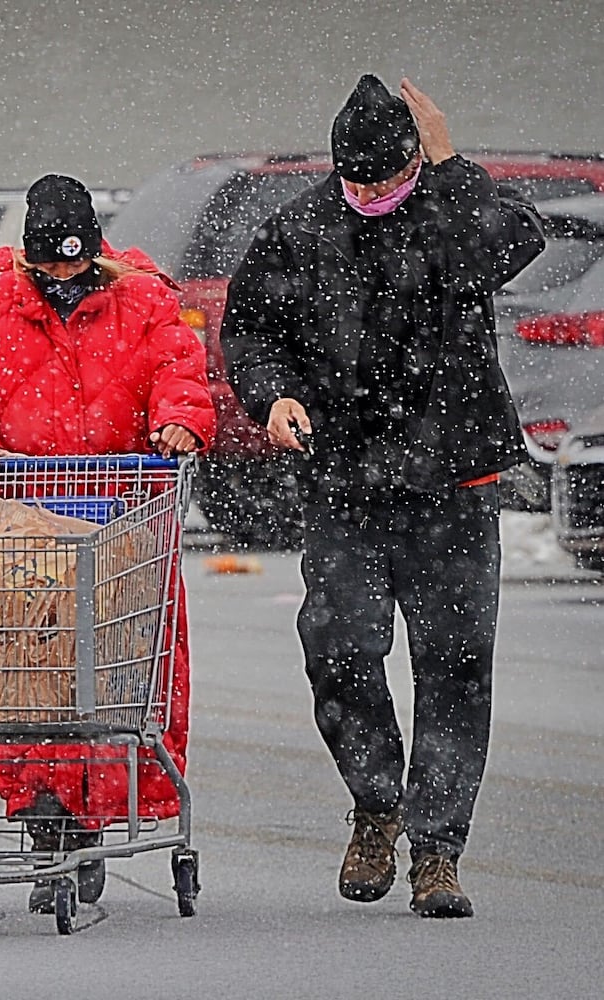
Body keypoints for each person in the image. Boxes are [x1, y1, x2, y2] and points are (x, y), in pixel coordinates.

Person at [220, 76, 545, 918]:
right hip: (346, 480)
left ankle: (437, 850)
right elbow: (250, 328)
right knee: (337, 648)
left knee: (455, 667)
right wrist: (271, 396)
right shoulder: (299, 228)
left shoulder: (447, 212)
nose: (368, 195)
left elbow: (514, 243)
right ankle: (375, 802)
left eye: (385, 179)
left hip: (452, 480)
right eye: (354, 182)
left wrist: (448, 161)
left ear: (412, 160)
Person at [0, 173, 217, 912]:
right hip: (22, 531)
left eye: (74, 261)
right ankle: (47, 815)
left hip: (122, 524)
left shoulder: (144, 302)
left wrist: (182, 421)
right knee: (27, 674)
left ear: (94, 251)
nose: (62, 276)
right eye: (48, 263)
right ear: (25, 256)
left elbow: (181, 373)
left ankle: (88, 813)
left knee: (115, 675)